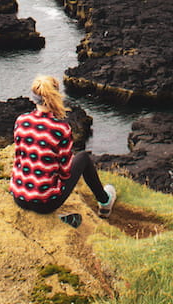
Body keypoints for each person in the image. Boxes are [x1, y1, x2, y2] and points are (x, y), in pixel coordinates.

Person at [9, 75, 116, 225]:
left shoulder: (21, 121)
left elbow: (19, 156)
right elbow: (65, 173)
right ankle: (105, 202)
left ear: (34, 98)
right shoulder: (61, 128)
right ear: (55, 96)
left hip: (19, 196)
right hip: (45, 204)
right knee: (83, 157)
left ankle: (62, 218)